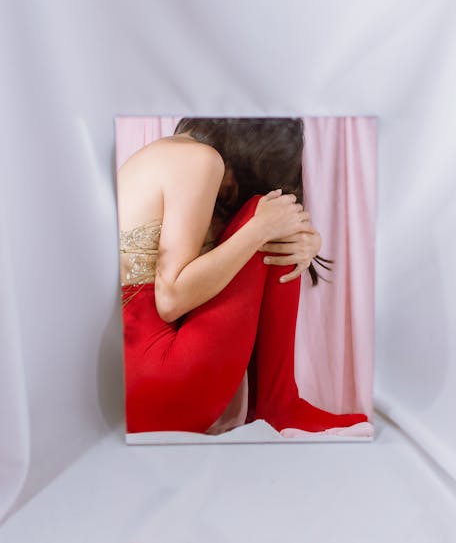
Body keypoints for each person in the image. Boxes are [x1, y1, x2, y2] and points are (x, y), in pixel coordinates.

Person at [118, 117, 368, 435]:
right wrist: (261, 227)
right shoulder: (200, 160)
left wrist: (303, 238)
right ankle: (279, 406)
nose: (231, 191)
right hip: (158, 383)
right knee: (261, 211)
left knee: (263, 218)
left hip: (131, 390)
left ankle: (280, 405)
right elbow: (171, 300)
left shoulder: (161, 154)